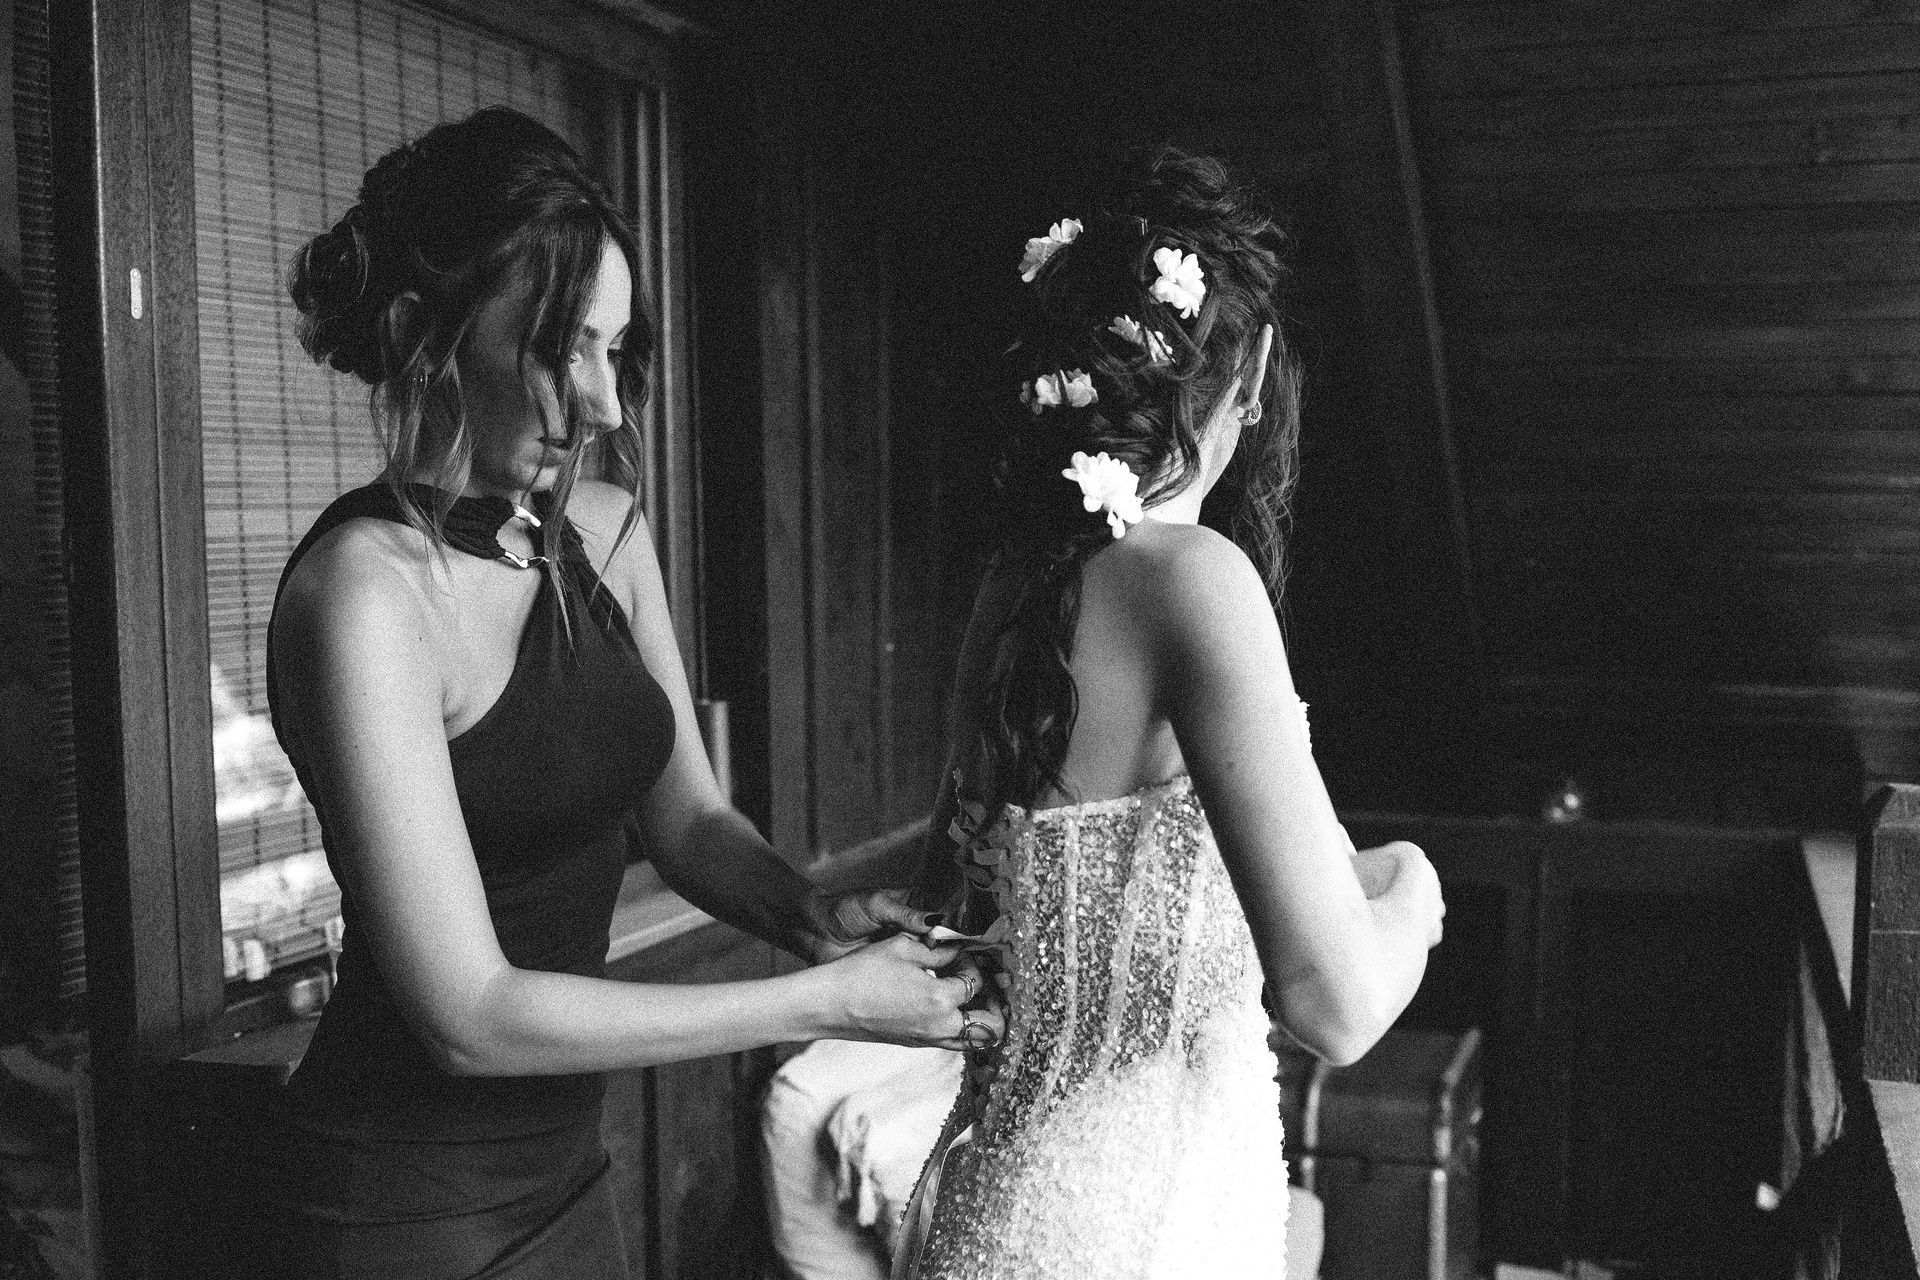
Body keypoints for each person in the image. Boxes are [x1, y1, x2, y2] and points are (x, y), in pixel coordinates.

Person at [258, 107, 1002, 1279]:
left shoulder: (601, 533)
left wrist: (810, 914)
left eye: (614, 348)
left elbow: (690, 818)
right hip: (402, 1211)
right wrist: (826, 998)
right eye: (561, 349)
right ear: (419, 335)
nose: (604, 403)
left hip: (567, 1178)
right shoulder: (365, 596)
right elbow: (469, 1015)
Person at [891, 151, 1447, 1279]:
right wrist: (1416, 893)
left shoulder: (1016, 583)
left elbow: (992, 888)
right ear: (1250, 374)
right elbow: (1335, 1005)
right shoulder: (1196, 583)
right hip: (1127, 1241)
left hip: (1005, 1219)